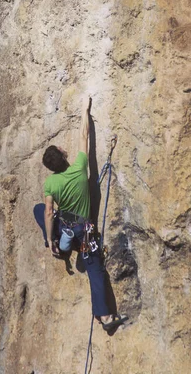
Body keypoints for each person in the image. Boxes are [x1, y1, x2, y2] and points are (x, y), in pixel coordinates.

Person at [43, 96, 126, 332]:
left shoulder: (51, 183)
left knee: (40, 210)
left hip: (65, 229)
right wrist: (84, 110)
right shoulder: (79, 167)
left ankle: (59, 246)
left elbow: (49, 212)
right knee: (95, 270)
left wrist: (50, 240)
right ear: (63, 155)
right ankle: (106, 316)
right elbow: (84, 136)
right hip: (85, 231)